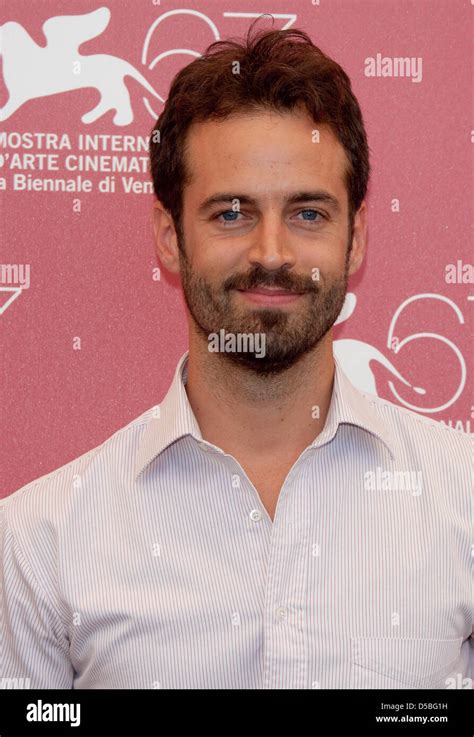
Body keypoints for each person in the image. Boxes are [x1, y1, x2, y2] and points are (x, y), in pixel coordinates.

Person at [1, 20, 471, 690]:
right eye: (230, 213)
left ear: (357, 237)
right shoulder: (39, 541)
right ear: (169, 236)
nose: (272, 252)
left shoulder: (463, 501)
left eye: (308, 213)